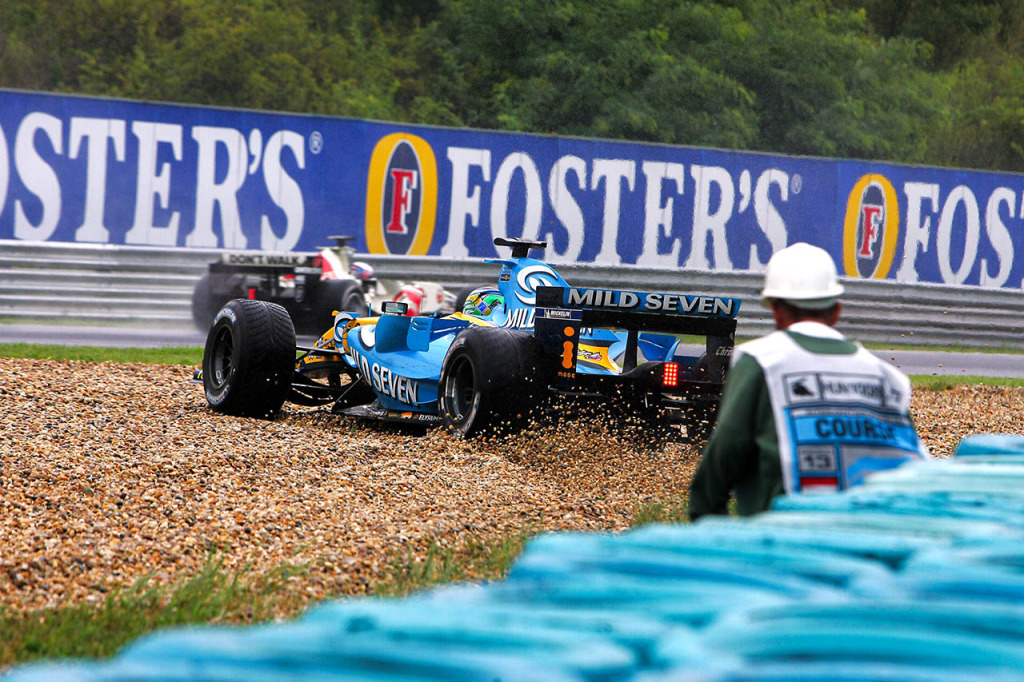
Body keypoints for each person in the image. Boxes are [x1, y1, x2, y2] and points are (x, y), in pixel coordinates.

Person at [687, 242, 930, 521]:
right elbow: (916, 465)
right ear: (836, 310)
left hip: (785, 542)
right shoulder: (889, 377)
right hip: (878, 535)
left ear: (776, 310)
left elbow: (720, 465)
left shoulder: (761, 361)